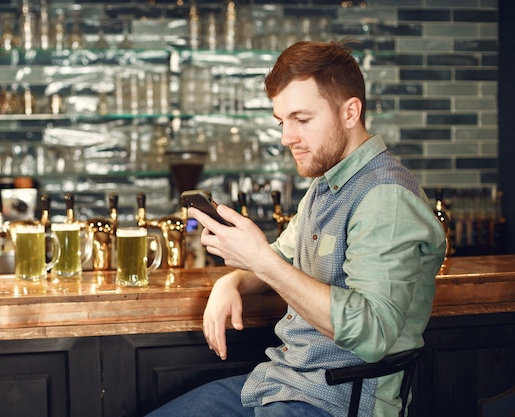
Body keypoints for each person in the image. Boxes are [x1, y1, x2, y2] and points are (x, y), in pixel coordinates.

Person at [146, 40, 446, 417]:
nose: (287, 137)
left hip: (340, 401)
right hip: (282, 383)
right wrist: (233, 281)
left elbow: (374, 334)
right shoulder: (327, 183)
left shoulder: (385, 197)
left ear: (350, 112)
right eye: (282, 122)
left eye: (301, 120)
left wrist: (260, 262)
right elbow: (281, 256)